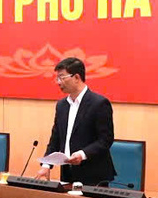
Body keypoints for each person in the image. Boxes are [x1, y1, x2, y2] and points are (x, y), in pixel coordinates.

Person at [36, 57, 116, 185]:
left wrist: (82, 154)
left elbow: (105, 139)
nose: (58, 82)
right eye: (57, 78)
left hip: (94, 175)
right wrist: (46, 165)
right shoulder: (62, 105)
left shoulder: (99, 103)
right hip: (67, 173)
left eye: (62, 77)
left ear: (77, 77)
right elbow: (56, 138)